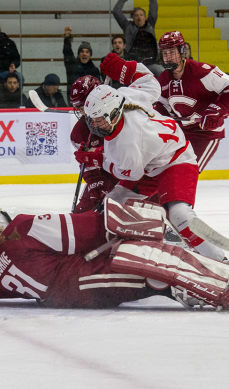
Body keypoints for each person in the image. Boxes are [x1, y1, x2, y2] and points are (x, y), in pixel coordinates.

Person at [77, 52, 227, 263]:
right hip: (151, 160)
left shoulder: (125, 141)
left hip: (176, 160)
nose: (95, 126)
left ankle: (220, 260)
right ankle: (108, 249)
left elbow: (130, 172)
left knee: (179, 214)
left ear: (113, 113)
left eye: (100, 120)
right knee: (112, 203)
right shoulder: (127, 97)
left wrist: (97, 159)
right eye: (92, 120)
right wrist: (125, 69)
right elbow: (149, 82)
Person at [0, 204, 229, 310]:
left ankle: (173, 285)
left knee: (143, 263)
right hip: (83, 280)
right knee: (149, 263)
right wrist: (144, 225)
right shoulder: (24, 227)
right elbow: (87, 228)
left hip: (69, 294)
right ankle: (193, 288)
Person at [154, 31, 229, 172]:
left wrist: (220, 109)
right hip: (181, 132)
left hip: (206, 134)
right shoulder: (163, 79)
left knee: (186, 173)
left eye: (171, 52)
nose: (168, 58)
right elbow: (163, 107)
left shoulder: (202, 72)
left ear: (182, 51)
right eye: (164, 54)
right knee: (163, 173)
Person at [69, 75, 119, 213]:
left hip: (129, 175)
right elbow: (88, 169)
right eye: (78, 107)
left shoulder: (118, 116)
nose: (82, 112)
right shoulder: (78, 133)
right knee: (81, 214)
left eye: (83, 106)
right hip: (103, 175)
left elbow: (126, 157)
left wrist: (97, 153)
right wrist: (97, 185)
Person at [113, 0, 164, 77]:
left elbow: (153, 8)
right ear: (132, 17)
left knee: (162, 72)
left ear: (145, 17)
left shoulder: (150, 24)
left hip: (151, 64)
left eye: (141, 15)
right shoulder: (127, 26)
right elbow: (116, 12)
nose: (139, 17)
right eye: (136, 15)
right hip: (134, 64)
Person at [63, 27, 101, 104]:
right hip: (74, 104)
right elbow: (67, 52)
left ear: (90, 55)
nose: (84, 54)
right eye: (82, 51)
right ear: (79, 54)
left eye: (87, 52)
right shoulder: (72, 66)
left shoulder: (95, 70)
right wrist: (67, 37)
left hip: (90, 105)